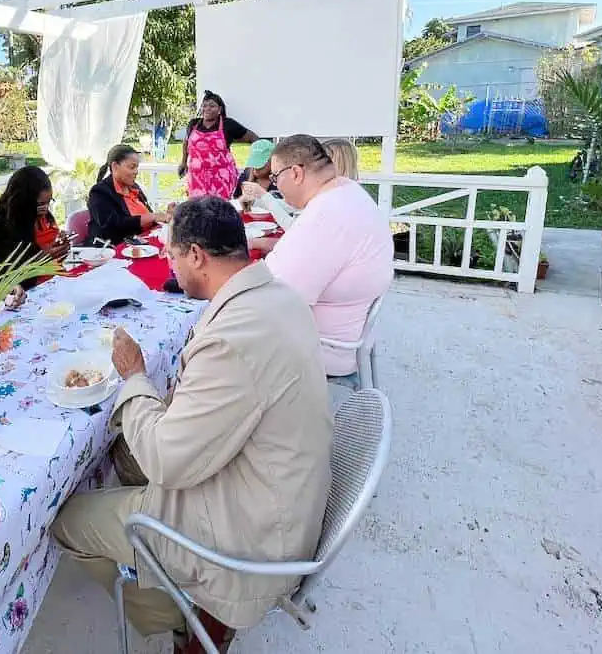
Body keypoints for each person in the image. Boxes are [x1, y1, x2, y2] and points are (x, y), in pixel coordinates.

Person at [51, 196, 331, 654]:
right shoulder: (278, 296)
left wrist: (135, 376)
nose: (169, 264)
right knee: (124, 446)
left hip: (249, 536)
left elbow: (168, 463)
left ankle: (187, 623)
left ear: (197, 255)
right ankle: (159, 562)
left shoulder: (233, 339)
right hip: (269, 489)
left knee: (68, 519)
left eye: (172, 254)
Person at [255, 135, 392, 405]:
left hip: (326, 345)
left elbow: (273, 298)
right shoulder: (347, 193)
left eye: (275, 178)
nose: (276, 187)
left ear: (295, 173)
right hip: (348, 327)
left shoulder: (328, 213)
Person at [0, 165, 70, 289]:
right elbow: (8, 281)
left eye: (48, 202)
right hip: (29, 294)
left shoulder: (43, 217)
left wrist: (61, 246)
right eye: (40, 204)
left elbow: (55, 257)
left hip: (56, 282)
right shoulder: (1, 230)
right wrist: (43, 258)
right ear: (23, 201)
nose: (46, 208)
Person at [178, 91, 258, 199]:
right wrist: (183, 162)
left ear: (220, 109)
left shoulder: (228, 124)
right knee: (197, 210)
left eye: (212, 106)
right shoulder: (193, 124)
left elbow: (254, 138)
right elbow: (186, 142)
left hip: (221, 177)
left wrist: (253, 164)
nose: (207, 109)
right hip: (196, 177)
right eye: (204, 106)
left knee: (220, 210)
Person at [87, 144, 171, 245]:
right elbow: (114, 224)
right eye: (132, 167)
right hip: (113, 249)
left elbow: (148, 216)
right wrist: (152, 217)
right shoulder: (99, 192)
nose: (136, 172)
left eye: (137, 167)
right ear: (115, 167)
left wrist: (166, 215)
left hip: (142, 243)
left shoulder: (133, 188)